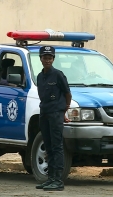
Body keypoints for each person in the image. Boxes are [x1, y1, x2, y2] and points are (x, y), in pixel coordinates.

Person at [35, 46, 72, 191]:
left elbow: (67, 93)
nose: (47, 60)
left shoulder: (58, 75)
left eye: (50, 58)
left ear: (53, 59)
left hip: (56, 114)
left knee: (57, 147)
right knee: (48, 146)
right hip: (44, 113)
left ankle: (58, 180)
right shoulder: (39, 76)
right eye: (45, 57)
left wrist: (64, 109)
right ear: (41, 59)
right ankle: (50, 178)